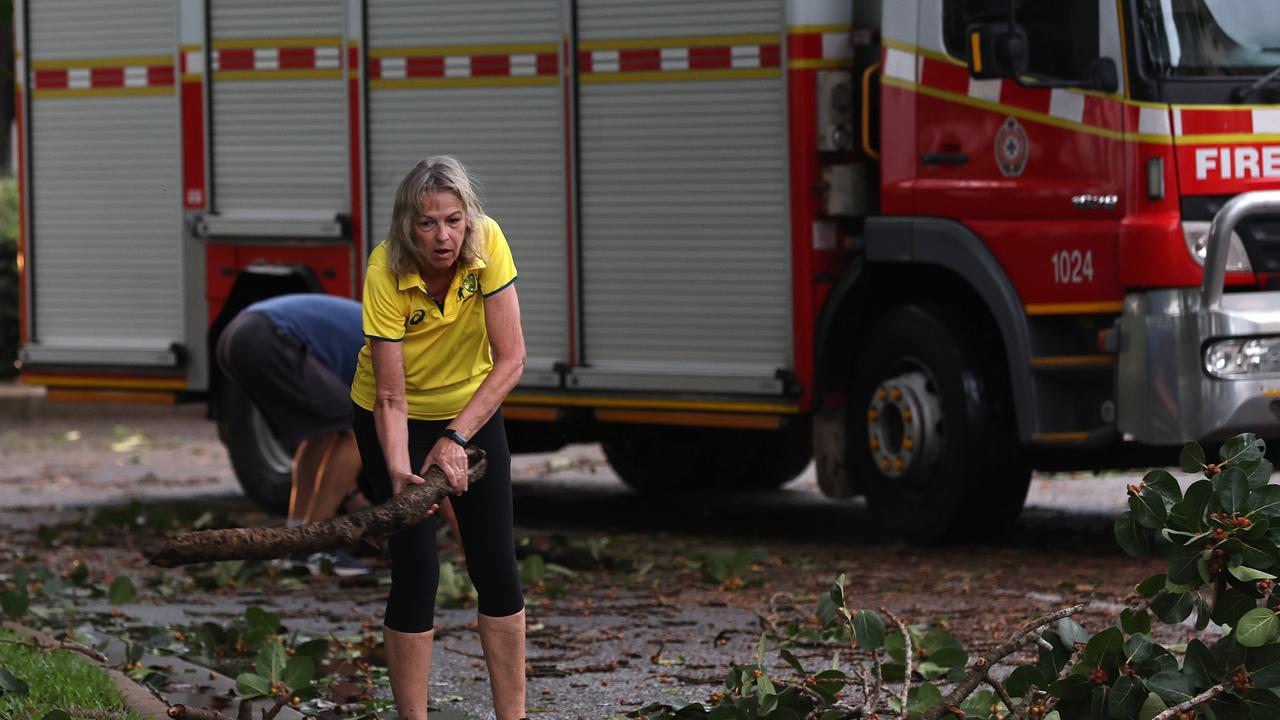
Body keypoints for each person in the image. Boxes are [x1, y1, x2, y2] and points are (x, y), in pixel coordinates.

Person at [350, 156, 526, 720]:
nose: (443, 235)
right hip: (394, 416)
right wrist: (401, 475)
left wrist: (456, 436)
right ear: (408, 225)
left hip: (471, 411)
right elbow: (391, 397)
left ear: (468, 219)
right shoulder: (385, 269)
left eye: (453, 220)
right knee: (417, 568)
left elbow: (512, 359)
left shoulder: (489, 242)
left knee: (496, 564)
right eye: (428, 223)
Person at [216, 294, 372, 575]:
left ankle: (295, 539)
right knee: (353, 430)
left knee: (322, 434)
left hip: (236, 335)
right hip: (269, 336)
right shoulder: (402, 350)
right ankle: (316, 544)